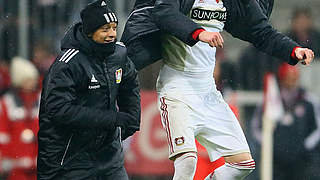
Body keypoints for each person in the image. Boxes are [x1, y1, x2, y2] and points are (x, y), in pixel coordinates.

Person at [121, 0, 315, 179]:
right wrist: (199, 33)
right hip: (177, 88)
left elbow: (260, 31)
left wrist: (293, 50)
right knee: (187, 162)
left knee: (243, 164)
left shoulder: (227, 2)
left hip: (208, 92)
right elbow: (164, 12)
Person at [37, 1, 141, 179]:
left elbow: (130, 88)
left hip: (109, 158)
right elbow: (58, 110)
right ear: (89, 32)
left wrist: (130, 120)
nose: (112, 34)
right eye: (105, 29)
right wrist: (113, 119)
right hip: (68, 160)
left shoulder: (119, 55)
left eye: (114, 28)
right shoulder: (67, 63)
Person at [251, 63, 320, 180]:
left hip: (302, 159)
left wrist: (305, 146)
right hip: (277, 159)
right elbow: (256, 127)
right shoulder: (269, 100)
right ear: (282, 79)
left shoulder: (308, 101)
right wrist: (270, 145)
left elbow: (317, 128)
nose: (292, 81)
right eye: (288, 78)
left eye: (294, 78)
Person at [0, 57, 40, 180]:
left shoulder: (41, 100)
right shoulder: (7, 103)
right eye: (28, 79)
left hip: (37, 165)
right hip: (15, 167)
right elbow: (3, 135)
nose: (32, 83)